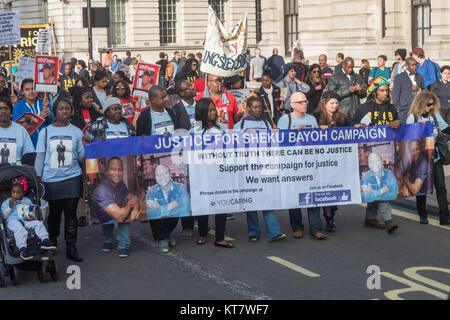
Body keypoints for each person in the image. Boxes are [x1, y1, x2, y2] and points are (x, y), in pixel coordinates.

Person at [35, 97, 84, 261]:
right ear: (55, 111)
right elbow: (40, 157)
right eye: (61, 108)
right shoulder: (46, 131)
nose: (65, 111)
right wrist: (37, 178)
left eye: (67, 108)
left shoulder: (77, 132)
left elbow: (81, 157)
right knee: (54, 214)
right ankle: (53, 243)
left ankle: (71, 246)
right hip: (51, 180)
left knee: (71, 215)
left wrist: (87, 145)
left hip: (72, 178)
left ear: (71, 111)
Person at [233, 96, 286, 242]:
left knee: (267, 200)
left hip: (265, 168)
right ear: (248, 108)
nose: (258, 110)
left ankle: (274, 232)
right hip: (248, 168)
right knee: (251, 201)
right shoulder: (240, 125)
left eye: (260, 107)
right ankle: (253, 232)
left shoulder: (266, 123)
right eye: (255, 107)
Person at [353, 78, 401, 233]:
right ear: (374, 92)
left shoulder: (392, 109)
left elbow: (397, 128)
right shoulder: (363, 109)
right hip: (369, 156)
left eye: (387, 90)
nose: (385, 93)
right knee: (381, 186)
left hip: (387, 152)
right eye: (382, 90)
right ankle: (388, 219)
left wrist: (398, 123)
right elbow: (352, 128)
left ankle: (370, 218)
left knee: (378, 183)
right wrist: (358, 126)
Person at [277, 92, 326, 239]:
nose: (305, 104)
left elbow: (317, 141)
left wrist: (321, 132)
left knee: (313, 196)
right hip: (293, 165)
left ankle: (316, 228)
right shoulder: (285, 120)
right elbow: (279, 141)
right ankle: (297, 227)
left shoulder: (311, 119)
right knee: (294, 197)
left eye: (305, 101)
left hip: (310, 163)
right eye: (301, 102)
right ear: (292, 105)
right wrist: (292, 133)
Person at [190, 99, 233, 248]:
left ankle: (220, 237)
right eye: (209, 110)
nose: (213, 113)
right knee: (203, 205)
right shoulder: (195, 129)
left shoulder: (220, 128)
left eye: (214, 110)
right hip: (201, 174)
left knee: (221, 205)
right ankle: (202, 234)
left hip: (219, 173)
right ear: (201, 112)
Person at [406, 91, 450, 225]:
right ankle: (422, 214)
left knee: (441, 186)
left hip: (435, 156)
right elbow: (408, 140)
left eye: (433, 104)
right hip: (420, 158)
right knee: (422, 188)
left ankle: (445, 216)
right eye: (428, 104)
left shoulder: (435, 116)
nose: (431, 107)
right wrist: (419, 130)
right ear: (421, 103)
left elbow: (446, 128)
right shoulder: (412, 118)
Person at [314, 91, 351, 232]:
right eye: (332, 103)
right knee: (325, 188)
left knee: (335, 188)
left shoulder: (341, 117)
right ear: (324, 104)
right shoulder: (316, 116)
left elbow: (350, 127)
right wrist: (318, 129)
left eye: (336, 103)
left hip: (338, 159)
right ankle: (328, 217)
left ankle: (331, 212)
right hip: (321, 159)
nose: (335, 106)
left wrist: (357, 127)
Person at [91, 157, 140, 258]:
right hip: (102, 216)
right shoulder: (102, 190)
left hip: (116, 210)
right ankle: (107, 239)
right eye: (113, 169)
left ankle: (123, 245)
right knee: (121, 214)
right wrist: (131, 204)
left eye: (120, 169)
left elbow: (133, 197)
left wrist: (136, 208)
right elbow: (119, 216)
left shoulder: (121, 184)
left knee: (126, 213)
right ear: (107, 172)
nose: (117, 173)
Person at [1, 177, 56, 260]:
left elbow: (31, 212)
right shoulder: (7, 202)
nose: (15, 194)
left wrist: (31, 217)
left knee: (38, 223)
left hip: (25, 220)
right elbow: (4, 216)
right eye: (13, 192)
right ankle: (22, 249)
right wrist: (10, 206)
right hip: (12, 221)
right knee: (20, 230)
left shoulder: (27, 200)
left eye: (18, 192)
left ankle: (45, 240)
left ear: (23, 193)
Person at [12, 79, 54, 148]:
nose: (31, 91)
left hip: (46, 144)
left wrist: (49, 116)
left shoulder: (45, 103)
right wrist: (39, 117)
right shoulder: (18, 106)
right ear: (22, 92)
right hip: (27, 146)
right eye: (27, 89)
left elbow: (52, 124)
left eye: (33, 88)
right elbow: (19, 129)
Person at [0, 97, 35, 165]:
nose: (3, 111)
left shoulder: (21, 130)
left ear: (11, 112)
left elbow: (29, 155)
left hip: (16, 172)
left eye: (6, 108)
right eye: (0, 109)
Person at [393, 57, 425, 123]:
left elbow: (424, 93)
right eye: (412, 65)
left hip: (418, 109)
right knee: (406, 131)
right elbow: (395, 95)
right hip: (404, 110)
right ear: (406, 66)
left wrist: (418, 89)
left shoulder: (420, 77)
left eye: (416, 65)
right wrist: (398, 109)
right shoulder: (399, 77)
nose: (415, 67)